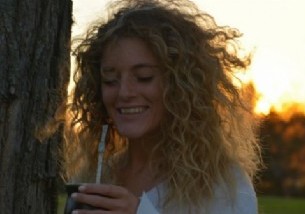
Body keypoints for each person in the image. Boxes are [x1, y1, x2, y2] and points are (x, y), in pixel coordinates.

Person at [61, 0, 262, 213]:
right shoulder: (95, 176)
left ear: (181, 85)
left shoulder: (223, 184)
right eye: (110, 80)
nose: (124, 93)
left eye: (143, 77)